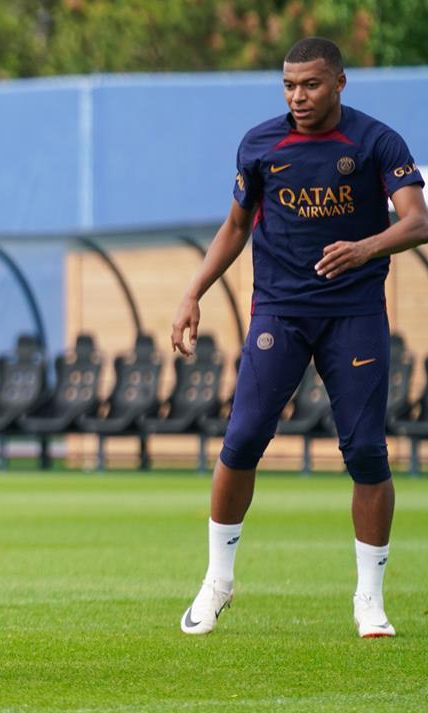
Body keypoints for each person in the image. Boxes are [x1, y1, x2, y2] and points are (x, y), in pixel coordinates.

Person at [171, 38, 428, 638]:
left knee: (365, 451)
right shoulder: (260, 144)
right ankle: (217, 582)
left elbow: (418, 221)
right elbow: (236, 226)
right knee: (242, 439)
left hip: (355, 313)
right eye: (289, 85)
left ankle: (369, 599)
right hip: (279, 313)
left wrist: (363, 247)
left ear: (339, 83)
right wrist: (193, 293)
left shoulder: (376, 142)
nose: (298, 96)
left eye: (310, 84)